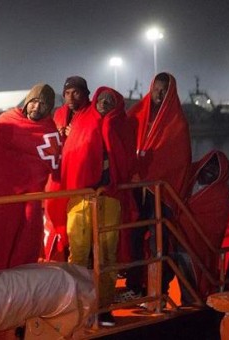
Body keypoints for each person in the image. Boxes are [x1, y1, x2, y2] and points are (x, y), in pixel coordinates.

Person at [60, 87, 136, 327]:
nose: (104, 103)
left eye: (110, 100)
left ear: (117, 104)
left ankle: (103, 306)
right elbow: (73, 154)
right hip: (81, 195)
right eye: (101, 99)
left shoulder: (122, 125)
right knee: (79, 252)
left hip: (110, 196)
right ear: (95, 100)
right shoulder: (82, 121)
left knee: (106, 253)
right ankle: (75, 304)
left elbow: (126, 160)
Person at [124, 72, 192, 301]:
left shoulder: (177, 123)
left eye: (164, 90)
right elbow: (120, 139)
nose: (159, 94)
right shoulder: (136, 113)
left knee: (158, 239)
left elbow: (176, 161)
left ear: (171, 92)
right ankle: (134, 285)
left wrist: (147, 175)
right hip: (136, 189)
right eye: (156, 88)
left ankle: (158, 289)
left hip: (160, 192)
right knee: (133, 236)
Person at [0, 83, 61, 269]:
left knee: (26, 238)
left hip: (30, 196)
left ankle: (22, 280)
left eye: (43, 104)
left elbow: (53, 165)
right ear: (27, 102)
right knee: (0, 236)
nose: (37, 107)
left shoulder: (50, 131)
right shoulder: (8, 119)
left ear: (49, 108)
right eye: (34, 102)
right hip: (3, 193)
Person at [44, 76, 92, 261]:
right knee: (58, 222)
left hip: (81, 183)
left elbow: (94, 141)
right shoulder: (59, 113)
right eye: (67, 93)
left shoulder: (91, 114)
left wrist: (77, 134)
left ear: (85, 94)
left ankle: (83, 274)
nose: (71, 97)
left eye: (76, 92)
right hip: (60, 180)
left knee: (80, 233)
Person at [178, 150, 229, 300]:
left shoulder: (220, 195)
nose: (210, 170)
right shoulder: (189, 179)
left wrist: (183, 219)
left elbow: (214, 227)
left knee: (184, 257)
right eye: (208, 165)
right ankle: (157, 294)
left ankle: (190, 300)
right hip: (176, 232)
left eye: (215, 168)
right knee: (162, 251)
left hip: (200, 243)